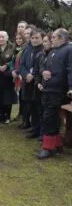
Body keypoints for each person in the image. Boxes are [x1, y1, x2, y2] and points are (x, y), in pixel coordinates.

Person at [36, 28, 72, 159]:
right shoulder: (54, 50)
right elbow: (45, 66)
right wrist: (44, 72)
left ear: (62, 38)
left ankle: (48, 148)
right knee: (51, 118)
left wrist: (71, 87)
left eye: (54, 37)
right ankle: (57, 144)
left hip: (58, 90)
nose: (51, 39)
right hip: (48, 89)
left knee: (49, 118)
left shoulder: (69, 49)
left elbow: (70, 69)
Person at [21, 29, 44, 139]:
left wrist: (33, 76)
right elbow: (22, 64)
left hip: (38, 83)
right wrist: (26, 75)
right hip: (28, 82)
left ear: (41, 38)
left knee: (39, 108)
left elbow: (41, 67)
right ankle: (35, 129)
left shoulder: (44, 50)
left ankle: (41, 132)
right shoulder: (27, 49)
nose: (34, 40)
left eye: (37, 38)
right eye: (33, 38)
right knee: (32, 107)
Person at [0, 31, 16, 124]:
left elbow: (15, 59)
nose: (1, 39)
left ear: (7, 38)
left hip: (8, 74)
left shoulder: (12, 46)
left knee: (8, 95)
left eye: (3, 37)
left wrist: (6, 65)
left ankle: (7, 116)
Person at [11, 31, 27, 124]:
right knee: (20, 96)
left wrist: (18, 72)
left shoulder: (25, 49)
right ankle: (21, 114)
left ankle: (23, 116)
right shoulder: (15, 49)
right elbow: (12, 62)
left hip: (22, 75)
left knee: (23, 96)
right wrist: (13, 70)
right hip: (16, 75)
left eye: (20, 38)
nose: (18, 40)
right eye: (17, 39)